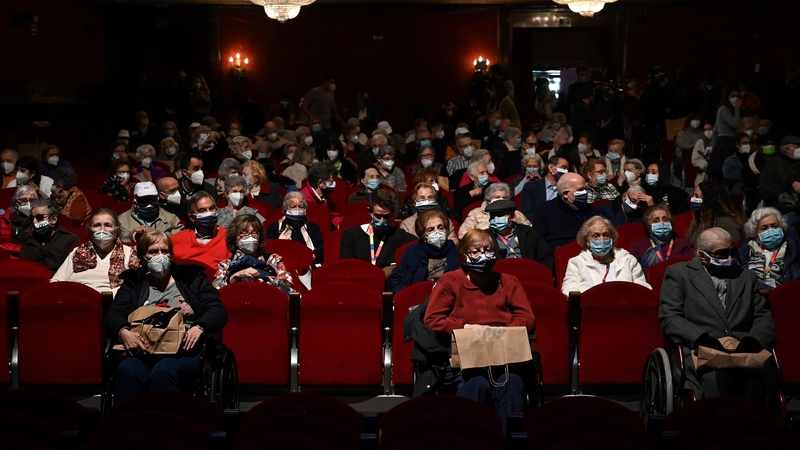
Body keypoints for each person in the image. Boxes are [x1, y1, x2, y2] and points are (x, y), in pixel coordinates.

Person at [424, 229, 534, 430]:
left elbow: (527, 318)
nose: (483, 256)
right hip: (465, 361)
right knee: (476, 385)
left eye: (488, 250)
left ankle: (508, 440)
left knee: (513, 384)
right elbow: (433, 319)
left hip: (505, 357)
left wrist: (502, 331)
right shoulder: (450, 281)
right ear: (464, 256)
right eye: (475, 251)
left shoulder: (508, 282)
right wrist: (464, 327)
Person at [659, 228, 778, 409]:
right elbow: (670, 317)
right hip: (705, 351)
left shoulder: (746, 277)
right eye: (723, 254)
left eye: (732, 252)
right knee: (718, 379)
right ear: (702, 255)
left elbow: (763, 316)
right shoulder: (679, 274)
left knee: (754, 380)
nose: (730, 258)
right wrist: (701, 338)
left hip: (744, 349)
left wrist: (753, 340)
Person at [107, 230, 227, 404]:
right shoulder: (134, 283)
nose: (160, 256)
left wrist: (199, 326)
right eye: (153, 252)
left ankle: (167, 425)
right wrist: (123, 332)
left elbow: (217, 311)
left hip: (184, 351)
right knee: (127, 370)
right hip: (143, 351)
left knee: (163, 371)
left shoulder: (193, 278)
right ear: (142, 257)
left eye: (165, 251)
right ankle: (127, 425)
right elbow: (113, 315)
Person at [51, 208, 139, 294]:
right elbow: (56, 281)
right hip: (76, 299)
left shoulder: (129, 253)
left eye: (108, 225)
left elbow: (136, 285)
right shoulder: (77, 252)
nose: (102, 230)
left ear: (116, 230)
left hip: (111, 302)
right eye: (97, 225)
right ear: (90, 230)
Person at [562, 216, 650, 294]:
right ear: (587, 241)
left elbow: (644, 289)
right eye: (596, 236)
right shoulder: (576, 263)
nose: (602, 239)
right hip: (593, 310)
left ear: (612, 237)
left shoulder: (628, 260)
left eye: (605, 235)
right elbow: (569, 290)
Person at [340, 189, 416, 274]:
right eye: (378, 216)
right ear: (370, 212)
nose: (382, 220)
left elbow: (418, 245)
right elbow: (346, 266)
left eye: (386, 216)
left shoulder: (398, 235)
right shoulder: (351, 235)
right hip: (359, 278)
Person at [211, 215, 293, 292]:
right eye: (244, 232)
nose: (250, 237)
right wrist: (235, 276)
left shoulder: (273, 259)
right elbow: (215, 289)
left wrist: (264, 279)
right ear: (234, 237)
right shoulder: (226, 264)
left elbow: (287, 282)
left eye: (254, 233)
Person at [387, 210, 460, 293]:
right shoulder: (413, 252)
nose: (437, 232)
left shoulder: (458, 253)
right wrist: (404, 296)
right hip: (418, 297)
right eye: (431, 229)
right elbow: (394, 280)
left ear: (446, 231)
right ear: (423, 236)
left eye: (440, 228)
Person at [736, 207, 800, 290]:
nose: (771, 231)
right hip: (753, 296)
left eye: (774, 226)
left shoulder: (792, 248)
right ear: (755, 233)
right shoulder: (745, 250)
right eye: (764, 228)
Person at [534, 173, 602, 249]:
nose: (585, 193)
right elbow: (538, 245)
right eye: (580, 190)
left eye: (585, 189)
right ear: (566, 193)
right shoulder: (545, 210)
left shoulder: (591, 209)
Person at [628, 205, 696, 275]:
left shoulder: (684, 244)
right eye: (656, 220)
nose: (662, 223)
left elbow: (693, 267)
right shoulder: (638, 245)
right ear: (649, 226)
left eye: (665, 219)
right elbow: (633, 270)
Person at [485, 199, 553, 269]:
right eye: (493, 217)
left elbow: (546, 256)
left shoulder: (528, 233)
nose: (496, 220)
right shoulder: (486, 238)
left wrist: (539, 273)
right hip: (500, 277)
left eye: (500, 216)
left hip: (528, 275)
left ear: (512, 217)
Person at [171, 192, 230, 269]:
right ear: (192, 217)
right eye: (202, 210)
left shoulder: (229, 236)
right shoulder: (176, 240)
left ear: (216, 210)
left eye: (211, 208)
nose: (209, 213)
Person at [266, 191, 324, 266]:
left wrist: (312, 256)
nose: (297, 210)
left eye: (300, 207)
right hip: (283, 265)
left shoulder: (313, 228)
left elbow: (321, 248)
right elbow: (270, 249)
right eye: (293, 207)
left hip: (309, 263)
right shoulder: (274, 227)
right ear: (285, 210)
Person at [19, 199, 79, 271]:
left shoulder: (69, 240)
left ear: (54, 219)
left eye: (39, 217)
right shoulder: (30, 239)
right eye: (32, 218)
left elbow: (71, 270)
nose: (34, 222)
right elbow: (22, 267)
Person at [459, 182, 531, 238]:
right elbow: (463, 233)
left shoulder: (515, 213)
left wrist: (518, 219)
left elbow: (530, 231)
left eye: (504, 197)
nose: (501, 200)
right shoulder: (476, 213)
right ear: (488, 199)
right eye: (497, 197)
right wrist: (481, 238)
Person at [119, 182, 183, 243]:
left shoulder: (171, 218)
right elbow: (115, 239)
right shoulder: (121, 220)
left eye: (152, 200)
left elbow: (180, 237)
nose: (149, 205)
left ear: (158, 200)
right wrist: (132, 235)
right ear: (135, 202)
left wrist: (159, 235)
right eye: (144, 200)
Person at [521, 156, 570, 223]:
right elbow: (527, 212)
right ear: (551, 168)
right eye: (563, 168)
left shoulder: (568, 189)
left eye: (567, 169)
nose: (566, 171)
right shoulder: (531, 187)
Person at [758, 136, 800, 214]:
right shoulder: (773, 163)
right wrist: (779, 194)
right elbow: (763, 185)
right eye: (798, 147)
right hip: (778, 201)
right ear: (788, 150)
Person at [707, 86, 742, 180]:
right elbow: (734, 124)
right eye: (733, 95)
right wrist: (737, 109)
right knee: (722, 174)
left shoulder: (727, 110)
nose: (736, 98)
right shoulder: (724, 109)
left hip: (726, 143)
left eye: (737, 96)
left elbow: (715, 131)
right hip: (725, 144)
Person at [301, 73, 343, 146]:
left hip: (328, 126)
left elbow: (334, 111)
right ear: (325, 82)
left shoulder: (331, 93)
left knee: (332, 144)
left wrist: (341, 121)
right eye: (331, 82)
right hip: (316, 127)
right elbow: (303, 106)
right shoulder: (314, 92)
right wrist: (312, 117)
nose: (333, 84)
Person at [297, 162, 342, 230]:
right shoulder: (302, 199)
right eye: (331, 180)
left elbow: (331, 214)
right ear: (321, 183)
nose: (334, 183)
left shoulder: (325, 195)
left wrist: (340, 224)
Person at [0, 186, 36, 255]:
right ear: (15, 203)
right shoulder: (2, 220)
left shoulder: (38, 222)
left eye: (32, 201)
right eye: (23, 200)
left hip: (27, 260)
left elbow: (32, 249)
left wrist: (4, 247)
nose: (28, 204)